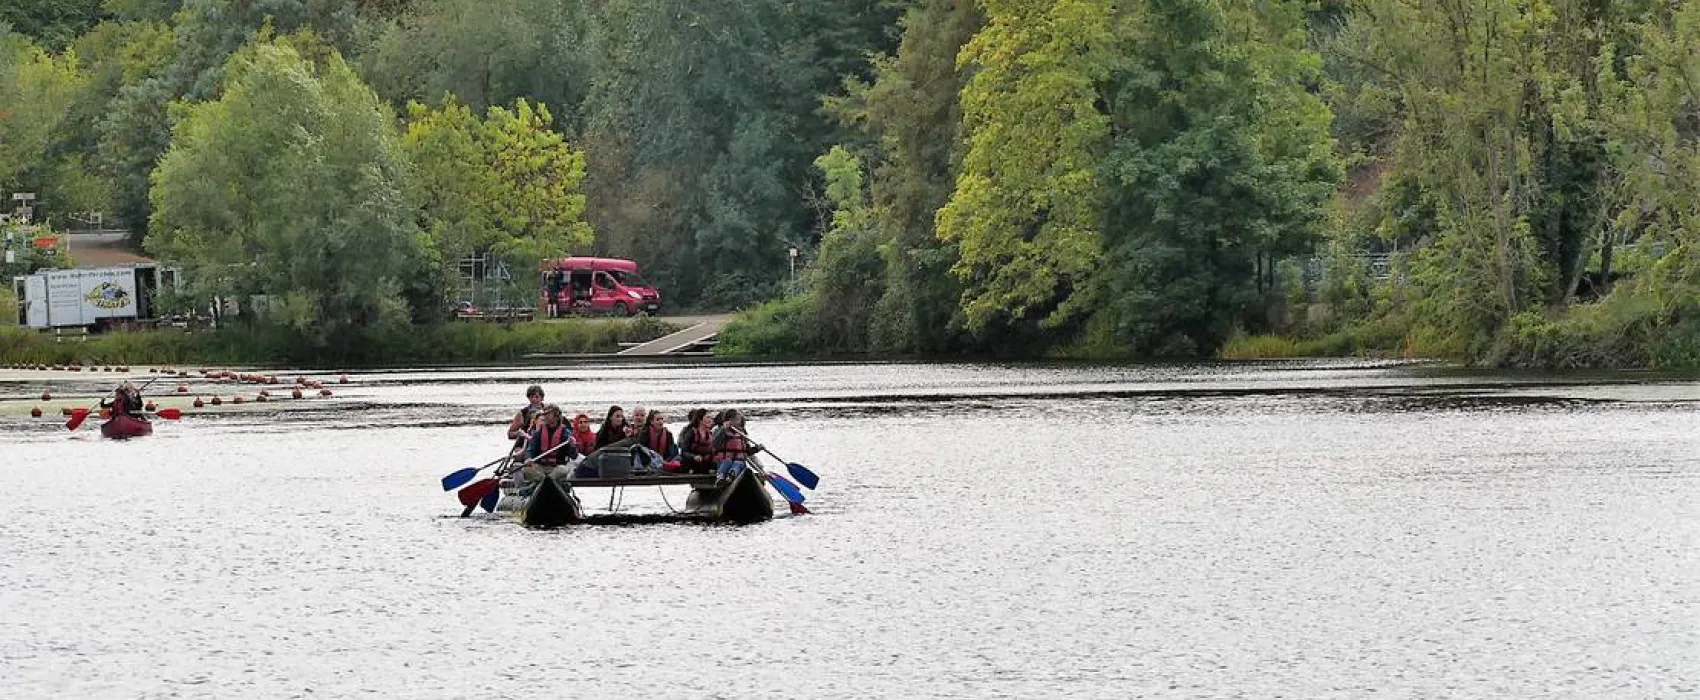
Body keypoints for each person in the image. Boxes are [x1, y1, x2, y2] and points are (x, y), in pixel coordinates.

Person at [519, 405, 577, 487]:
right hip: (541, 467)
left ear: (556, 417)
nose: (545, 416)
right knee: (527, 470)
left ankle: (544, 483)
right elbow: (531, 450)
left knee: (563, 471)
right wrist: (528, 458)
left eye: (548, 414)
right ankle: (546, 482)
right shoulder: (538, 432)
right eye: (544, 414)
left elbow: (573, 456)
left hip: (556, 467)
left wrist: (573, 446)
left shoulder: (565, 433)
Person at [710, 409, 761, 480]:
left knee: (738, 463)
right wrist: (723, 430)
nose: (736, 422)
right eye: (734, 420)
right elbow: (715, 444)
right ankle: (720, 477)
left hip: (738, 464)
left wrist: (757, 448)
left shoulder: (742, 434)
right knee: (727, 461)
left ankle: (731, 475)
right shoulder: (721, 431)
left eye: (738, 420)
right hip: (724, 462)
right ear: (728, 421)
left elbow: (747, 452)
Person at [676, 408, 715, 474]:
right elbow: (683, 452)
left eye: (711, 418)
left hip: (705, 463)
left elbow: (712, 451)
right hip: (691, 464)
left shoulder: (710, 434)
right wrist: (694, 457)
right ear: (700, 420)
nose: (710, 420)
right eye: (708, 417)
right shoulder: (691, 432)